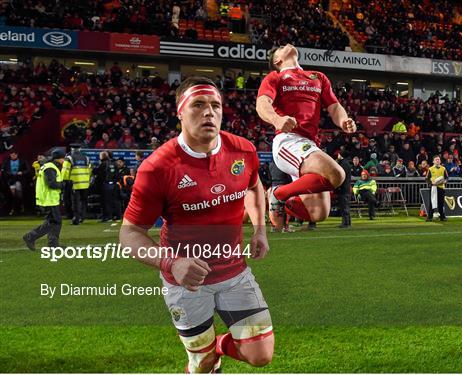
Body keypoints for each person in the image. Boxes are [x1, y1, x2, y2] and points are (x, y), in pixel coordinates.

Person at [119, 77, 273, 373]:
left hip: (235, 274)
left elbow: (254, 187)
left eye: (216, 105)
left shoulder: (243, 150)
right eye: (198, 105)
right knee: (203, 365)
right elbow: (129, 233)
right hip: (186, 283)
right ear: (180, 111)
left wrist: (260, 231)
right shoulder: (157, 168)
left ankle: (215, 346)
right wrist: (172, 264)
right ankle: (205, 356)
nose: (209, 112)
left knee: (261, 355)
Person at [256, 44, 356, 226]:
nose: (286, 44)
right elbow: (262, 103)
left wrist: (343, 121)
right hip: (289, 140)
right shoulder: (275, 76)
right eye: (280, 47)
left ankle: (277, 194)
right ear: (277, 60)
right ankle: (280, 195)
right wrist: (277, 120)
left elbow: (334, 107)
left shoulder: (318, 77)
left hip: (309, 144)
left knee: (318, 214)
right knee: (337, 175)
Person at [23, 149, 65, 250]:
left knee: (54, 221)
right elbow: (52, 184)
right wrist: (64, 185)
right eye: (63, 158)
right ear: (59, 158)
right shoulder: (50, 167)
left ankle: (53, 244)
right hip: (48, 199)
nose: (64, 160)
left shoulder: (49, 166)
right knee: (54, 222)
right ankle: (30, 236)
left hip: (49, 199)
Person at [61, 143, 92, 225]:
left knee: (75, 202)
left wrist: (64, 180)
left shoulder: (69, 158)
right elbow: (90, 171)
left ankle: (76, 218)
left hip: (74, 184)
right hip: (85, 184)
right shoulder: (86, 158)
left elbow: (65, 171)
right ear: (80, 149)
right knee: (84, 201)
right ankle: (82, 217)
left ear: (72, 149)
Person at [1, 151, 30, 215]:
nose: (13, 156)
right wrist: (8, 173)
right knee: (12, 195)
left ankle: (21, 206)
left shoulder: (22, 161)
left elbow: (28, 170)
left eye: (14, 155)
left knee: (19, 194)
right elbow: (3, 170)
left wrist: (22, 172)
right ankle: (14, 208)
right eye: (11, 155)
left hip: (19, 179)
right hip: (10, 180)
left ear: (17, 155)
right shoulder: (6, 162)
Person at [93, 151, 118, 222]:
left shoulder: (103, 164)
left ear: (103, 156)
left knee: (105, 202)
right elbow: (116, 174)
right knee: (110, 201)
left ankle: (107, 217)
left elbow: (99, 174)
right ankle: (111, 216)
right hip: (112, 185)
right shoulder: (113, 163)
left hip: (105, 185)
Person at [426, 155, 449, 222]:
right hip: (433, 187)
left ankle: (442, 216)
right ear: (433, 161)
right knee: (432, 202)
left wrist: (444, 181)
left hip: (441, 187)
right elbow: (427, 178)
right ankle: (430, 217)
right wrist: (431, 183)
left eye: (438, 159)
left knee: (441, 203)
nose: (437, 160)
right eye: (436, 159)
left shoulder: (443, 168)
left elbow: (447, 177)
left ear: (440, 161)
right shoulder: (430, 169)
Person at [335, 152, 352, 228]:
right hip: (346, 187)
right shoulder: (346, 163)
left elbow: (341, 176)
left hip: (343, 188)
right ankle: (348, 222)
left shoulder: (343, 164)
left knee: (344, 206)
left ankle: (345, 223)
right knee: (346, 205)